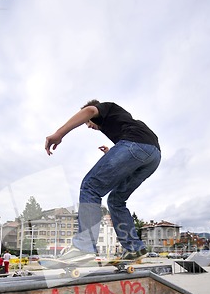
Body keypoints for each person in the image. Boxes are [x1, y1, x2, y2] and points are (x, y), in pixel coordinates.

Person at [45, 100, 161, 264]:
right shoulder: (123, 121)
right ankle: (134, 248)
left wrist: (59, 134)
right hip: (153, 156)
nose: (89, 126)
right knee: (116, 200)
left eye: (88, 123)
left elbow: (90, 111)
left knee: (90, 187)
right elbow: (132, 151)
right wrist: (111, 152)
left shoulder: (105, 108)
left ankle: (84, 248)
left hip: (135, 146)